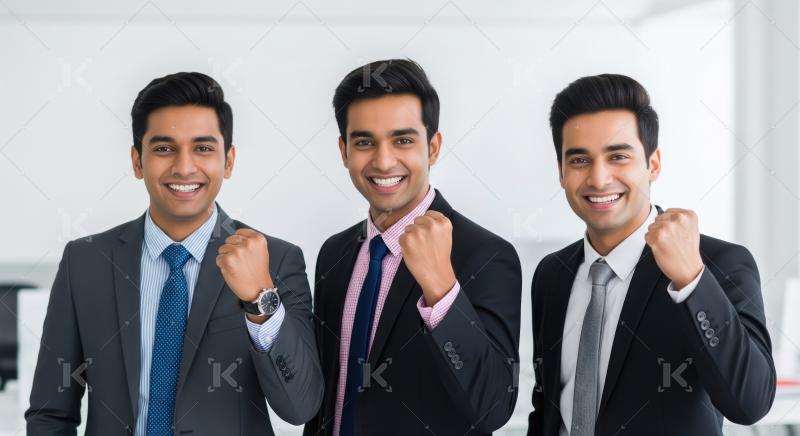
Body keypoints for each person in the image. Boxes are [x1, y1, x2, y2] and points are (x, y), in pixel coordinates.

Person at [26, 72, 323, 435]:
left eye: (203, 148)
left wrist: (261, 300)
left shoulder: (276, 259)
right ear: (138, 161)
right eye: (164, 148)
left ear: (228, 161)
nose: (184, 167)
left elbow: (301, 406)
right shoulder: (84, 263)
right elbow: (50, 413)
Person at [528, 74, 776, 436]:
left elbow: (750, 402)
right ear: (561, 172)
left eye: (618, 156)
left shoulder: (717, 264)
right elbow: (547, 406)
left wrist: (692, 280)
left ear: (653, 164)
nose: (598, 179)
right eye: (580, 160)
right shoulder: (552, 275)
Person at [303, 59, 522, 436]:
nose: (383, 160)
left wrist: (441, 290)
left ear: (432, 147)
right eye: (364, 142)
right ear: (344, 151)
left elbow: (493, 407)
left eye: (402, 140)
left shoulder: (485, 255)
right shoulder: (334, 254)